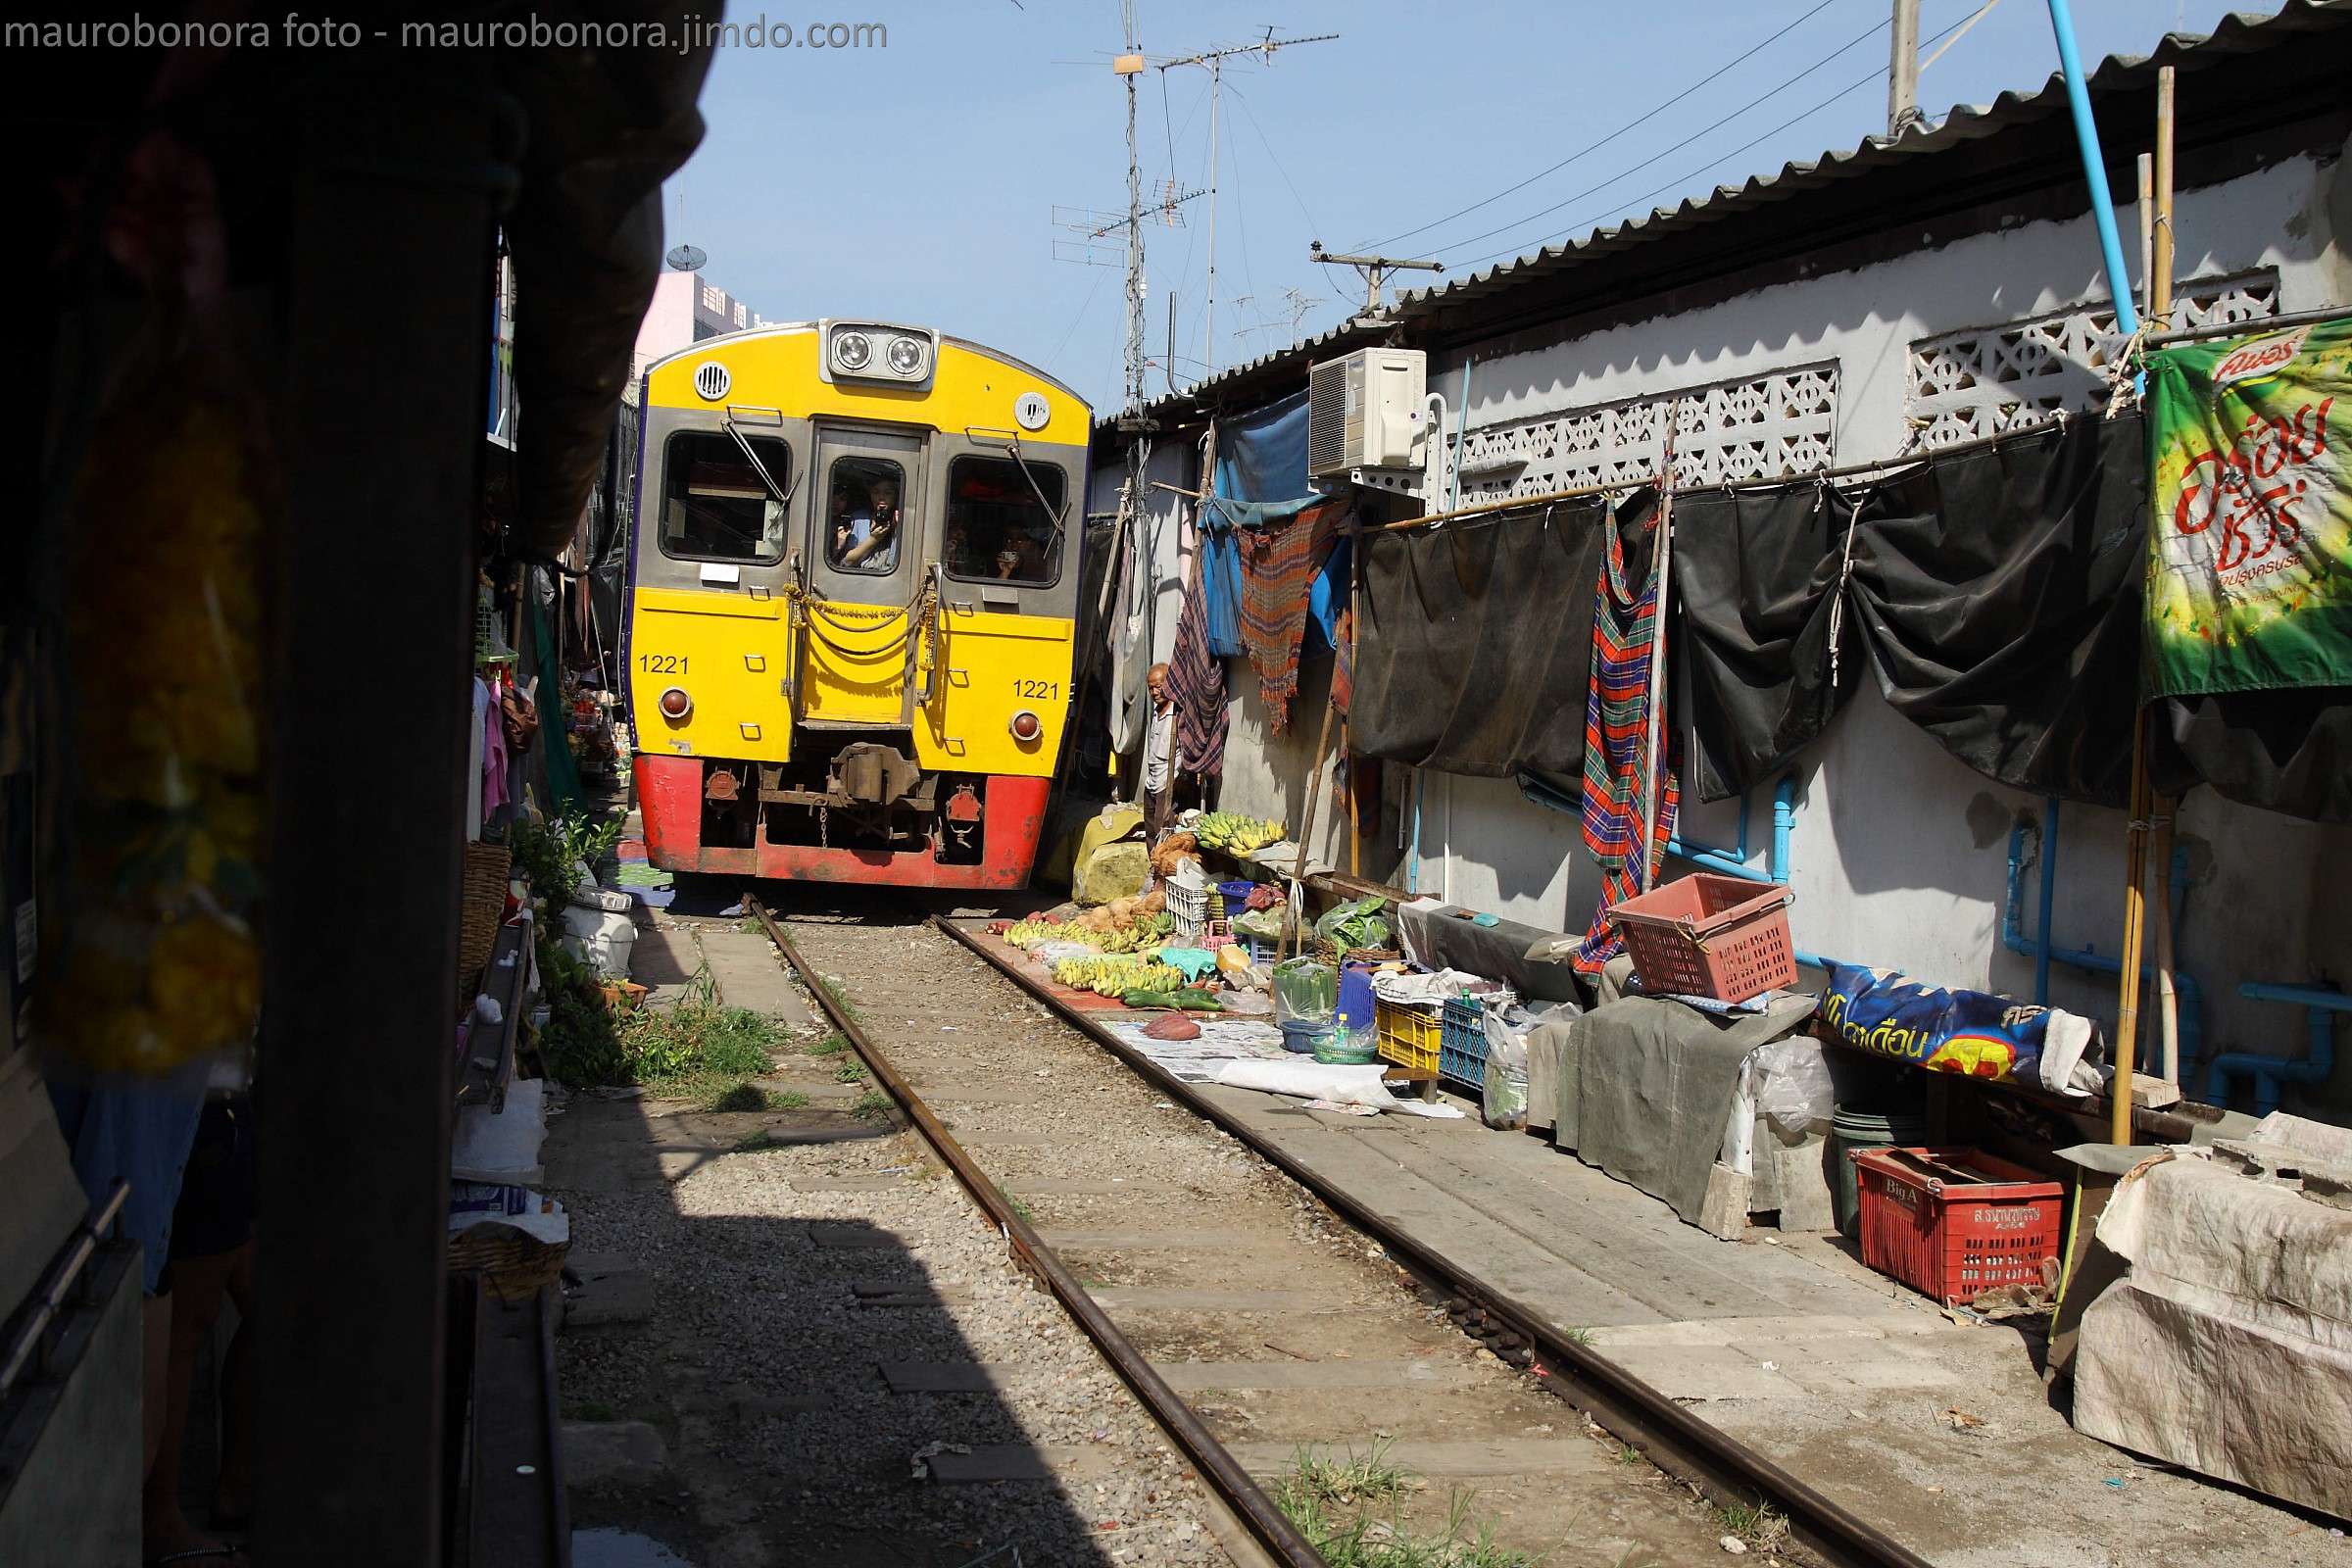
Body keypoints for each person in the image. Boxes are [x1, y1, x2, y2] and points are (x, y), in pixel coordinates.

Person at [834, 475, 902, 571]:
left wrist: (899, 530)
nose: (881, 497)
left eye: (888, 493)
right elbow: (847, 563)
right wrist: (874, 539)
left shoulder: (902, 520)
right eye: (876, 492)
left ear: (895, 496)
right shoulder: (858, 519)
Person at [1142, 662, 1176, 841]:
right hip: (1151, 783)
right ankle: (1152, 859)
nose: (1154, 692)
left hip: (1166, 784)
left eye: (1158, 687)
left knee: (1163, 833)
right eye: (1151, 688)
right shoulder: (1156, 712)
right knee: (1150, 833)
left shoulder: (1177, 714)